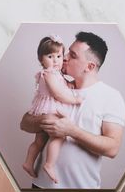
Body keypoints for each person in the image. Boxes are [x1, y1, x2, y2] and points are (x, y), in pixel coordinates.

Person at [20, 31, 125, 189]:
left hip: (81, 191)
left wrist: (72, 131)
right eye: (67, 51)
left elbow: (112, 148)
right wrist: (43, 120)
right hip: (41, 187)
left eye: (73, 55)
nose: (64, 57)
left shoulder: (111, 97)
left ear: (89, 66)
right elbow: (24, 123)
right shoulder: (57, 85)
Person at [22, 35, 83, 184]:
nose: (55, 60)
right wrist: (74, 99)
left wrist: (70, 86)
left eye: (59, 56)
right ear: (41, 59)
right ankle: (49, 164)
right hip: (49, 109)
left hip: (43, 108)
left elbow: (62, 87)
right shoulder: (49, 74)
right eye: (50, 56)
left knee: (40, 140)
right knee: (59, 135)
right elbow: (58, 93)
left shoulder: (56, 75)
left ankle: (28, 163)